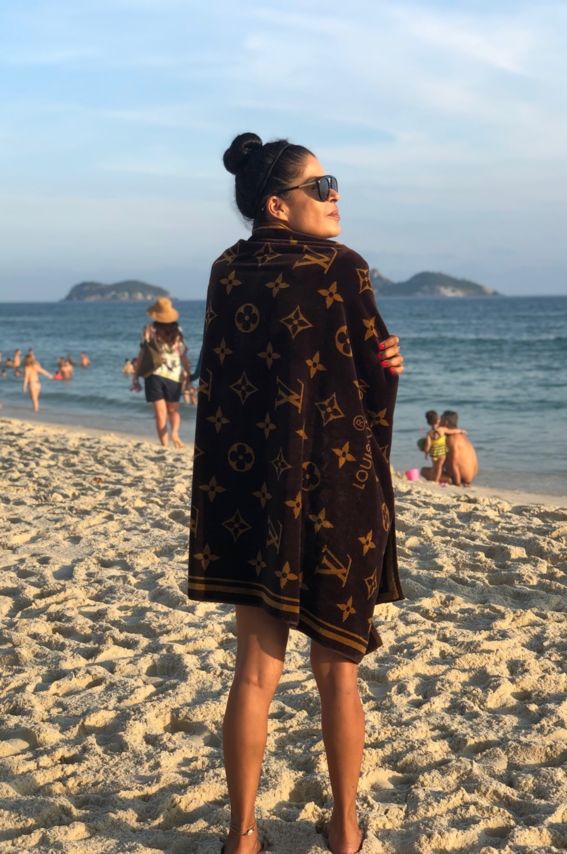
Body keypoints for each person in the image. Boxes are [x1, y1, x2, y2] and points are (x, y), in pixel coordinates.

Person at [188, 132, 405, 854]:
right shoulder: (343, 268)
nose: (334, 196)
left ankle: (242, 835)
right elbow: (371, 385)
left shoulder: (225, 271)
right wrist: (392, 371)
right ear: (278, 205)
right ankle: (344, 828)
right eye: (321, 186)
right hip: (338, 491)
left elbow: (224, 387)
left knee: (254, 672)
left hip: (252, 494)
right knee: (338, 672)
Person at [131, 297, 192, 448]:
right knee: (174, 410)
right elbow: (183, 355)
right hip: (174, 376)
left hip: (154, 374)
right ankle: (175, 434)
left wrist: (135, 376)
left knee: (160, 414)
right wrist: (188, 374)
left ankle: (164, 445)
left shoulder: (148, 330)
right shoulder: (178, 331)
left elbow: (142, 354)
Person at [420, 409, 466, 483]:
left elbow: (428, 445)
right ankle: (436, 480)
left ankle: (433, 479)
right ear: (438, 420)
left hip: (434, 453)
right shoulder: (442, 430)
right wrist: (461, 431)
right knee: (439, 468)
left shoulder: (429, 433)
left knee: (434, 467)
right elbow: (453, 431)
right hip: (441, 453)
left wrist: (426, 453)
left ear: (428, 423)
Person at [440, 410, 478, 486]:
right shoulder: (462, 436)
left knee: (424, 471)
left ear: (445, 422)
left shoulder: (452, 439)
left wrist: (457, 483)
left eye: (440, 420)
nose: (438, 423)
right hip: (470, 476)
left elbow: (454, 462)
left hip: (462, 477)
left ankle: (450, 480)